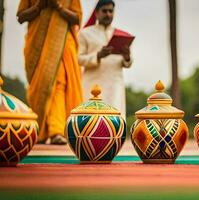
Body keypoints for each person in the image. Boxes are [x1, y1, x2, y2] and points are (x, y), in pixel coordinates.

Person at [17, 0, 83, 144]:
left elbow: (77, 18)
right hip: (35, 47)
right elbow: (21, 17)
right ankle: (40, 130)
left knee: (58, 83)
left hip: (62, 45)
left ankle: (56, 131)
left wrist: (57, 7)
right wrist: (39, 6)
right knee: (39, 86)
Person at [78, 0, 133, 118]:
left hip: (115, 83)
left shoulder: (121, 35)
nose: (108, 14)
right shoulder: (85, 33)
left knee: (114, 118)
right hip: (92, 84)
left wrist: (127, 57)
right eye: (104, 11)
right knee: (91, 119)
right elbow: (78, 59)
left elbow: (128, 63)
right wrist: (98, 55)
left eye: (110, 11)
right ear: (96, 13)